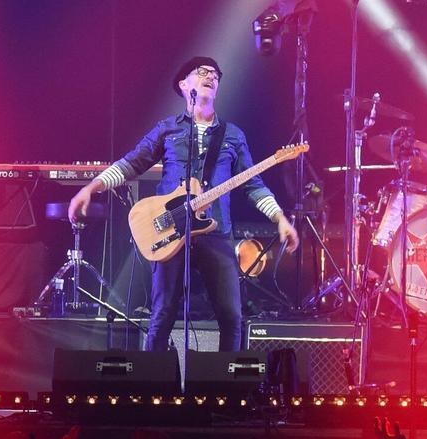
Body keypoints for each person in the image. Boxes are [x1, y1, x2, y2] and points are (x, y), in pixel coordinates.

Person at [68, 56, 299, 351]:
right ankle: (154, 386)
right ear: (184, 84)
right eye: (202, 72)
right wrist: (91, 188)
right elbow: (130, 164)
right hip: (169, 230)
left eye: (216, 74)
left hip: (216, 232)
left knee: (231, 316)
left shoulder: (232, 135)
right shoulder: (167, 129)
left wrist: (280, 218)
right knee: (162, 314)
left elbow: (253, 184)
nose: (211, 76)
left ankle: (225, 390)